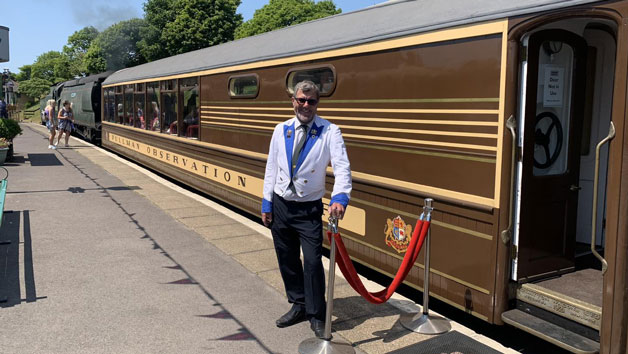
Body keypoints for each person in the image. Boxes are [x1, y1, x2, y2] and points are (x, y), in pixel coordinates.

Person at [261, 80, 351, 339]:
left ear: (317, 104)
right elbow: (272, 168)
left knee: (312, 262)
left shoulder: (330, 131)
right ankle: (298, 304)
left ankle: (317, 314)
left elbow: (342, 168)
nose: (306, 105)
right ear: (293, 101)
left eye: (311, 101)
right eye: (301, 100)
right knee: (287, 259)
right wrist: (267, 203)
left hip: (308, 209)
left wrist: (340, 197)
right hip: (280, 205)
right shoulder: (281, 129)